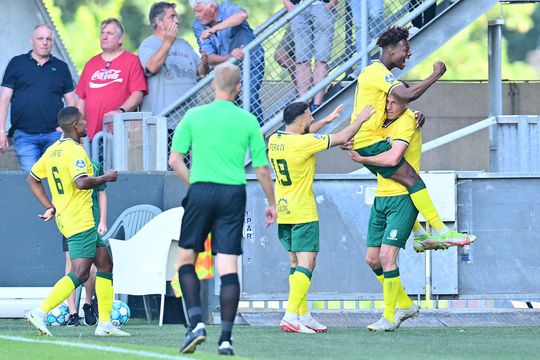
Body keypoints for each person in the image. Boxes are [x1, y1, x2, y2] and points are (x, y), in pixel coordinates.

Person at [168, 63, 276, 355]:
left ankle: (196, 324)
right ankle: (226, 340)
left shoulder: (194, 116)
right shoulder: (248, 120)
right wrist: (272, 202)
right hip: (233, 194)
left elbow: (175, 158)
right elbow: (262, 169)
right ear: (238, 88)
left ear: (213, 85)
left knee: (185, 260)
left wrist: (195, 183)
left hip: (202, 190)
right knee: (227, 267)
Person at [349, 26, 475, 249]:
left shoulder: (378, 74)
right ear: (390, 49)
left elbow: (392, 108)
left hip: (366, 141)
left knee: (403, 184)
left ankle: (419, 235)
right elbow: (407, 95)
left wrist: (413, 114)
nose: (409, 54)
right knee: (413, 180)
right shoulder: (376, 72)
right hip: (368, 142)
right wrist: (436, 74)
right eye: (405, 48)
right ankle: (443, 232)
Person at [269, 101, 374, 334]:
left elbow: (305, 139)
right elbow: (343, 136)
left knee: (296, 264)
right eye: (309, 115)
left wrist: (325, 122)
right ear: (301, 120)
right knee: (307, 264)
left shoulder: (276, 140)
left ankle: (303, 315)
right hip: (303, 210)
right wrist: (360, 119)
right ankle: (290, 316)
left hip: (284, 210)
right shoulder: (303, 143)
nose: (312, 117)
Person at [24, 106, 127, 337]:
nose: (86, 123)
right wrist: (106, 177)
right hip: (78, 220)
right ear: (75, 126)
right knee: (80, 273)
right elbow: (81, 182)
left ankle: (105, 324)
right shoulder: (75, 151)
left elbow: (32, 179)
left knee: (105, 263)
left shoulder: (53, 151)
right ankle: (40, 312)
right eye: (83, 120)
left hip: (71, 218)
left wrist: (49, 206)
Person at [350, 94, 422, 331]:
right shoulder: (381, 123)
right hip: (381, 197)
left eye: (394, 102)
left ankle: (388, 318)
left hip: (402, 198)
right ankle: (405, 304)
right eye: (387, 102)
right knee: (372, 259)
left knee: (387, 257)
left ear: (406, 104)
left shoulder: (408, 120)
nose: (388, 106)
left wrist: (362, 157)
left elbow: (392, 159)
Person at [0, 24, 76, 171]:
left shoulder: (61, 67)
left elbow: (71, 101)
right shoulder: (16, 63)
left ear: (52, 42)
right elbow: (4, 98)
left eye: (48, 39)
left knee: (56, 177)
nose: (44, 42)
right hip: (24, 135)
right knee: (33, 178)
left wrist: (67, 128)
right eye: (40, 38)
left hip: (55, 135)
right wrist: (1, 131)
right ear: (32, 40)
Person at [139, 1, 209, 144]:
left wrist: (205, 61)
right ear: (158, 22)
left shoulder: (184, 44)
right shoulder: (148, 44)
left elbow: (200, 72)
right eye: (172, 17)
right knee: (165, 166)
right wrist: (167, 42)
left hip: (187, 121)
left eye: (176, 16)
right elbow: (151, 67)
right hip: (163, 123)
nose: (177, 20)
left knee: (184, 165)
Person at [190, 0, 265, 125]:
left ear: (212, 6)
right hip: (227, 69)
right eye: (195, 12)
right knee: (226, 104)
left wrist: (214, 29)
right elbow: (210, 58)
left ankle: (258, 136)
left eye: (200, 11)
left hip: (251, 62)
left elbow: (242, 15)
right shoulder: (198, 25)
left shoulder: (226, 7)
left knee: (250, 99)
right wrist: (231, 56)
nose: (197, 15)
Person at [76, 18, 147, 142]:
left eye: (109, 33)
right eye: (102, 33)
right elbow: (81, 99)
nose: (104, 37)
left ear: (120, 39)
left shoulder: (132, 61)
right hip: (90, 137)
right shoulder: (91, 63)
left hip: (119, 135)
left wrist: (120, 111)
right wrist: (78, 128)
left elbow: (138, 94)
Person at [64, 159, 107, 327]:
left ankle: (88, 304)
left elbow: (102, 192)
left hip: (91, 220)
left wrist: (102, 220)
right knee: (71, 264)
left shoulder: (94, 165)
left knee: (94, 266)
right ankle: (72, 312)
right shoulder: (62, 162)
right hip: (71, 220)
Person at [284, 0, 338, 112]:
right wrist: (287, 3)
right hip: (299, 7)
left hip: (322, 5)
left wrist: (333, 2)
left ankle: (317, 105)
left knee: (322, 59)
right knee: (301, 59)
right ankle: (304, 104)